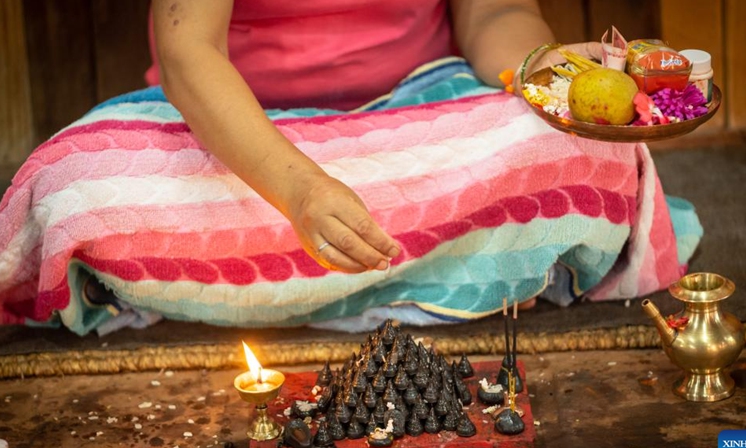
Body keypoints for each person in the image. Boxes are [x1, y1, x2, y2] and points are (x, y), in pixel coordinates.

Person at [149, 0, 599, 276]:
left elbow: (495, 10)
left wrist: (540, 67)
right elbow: (187, 51)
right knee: (87, 172)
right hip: (243, 133)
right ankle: (462, 270)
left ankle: (286, 286)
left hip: (420, 118)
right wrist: (298, 190)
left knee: (580, 144)